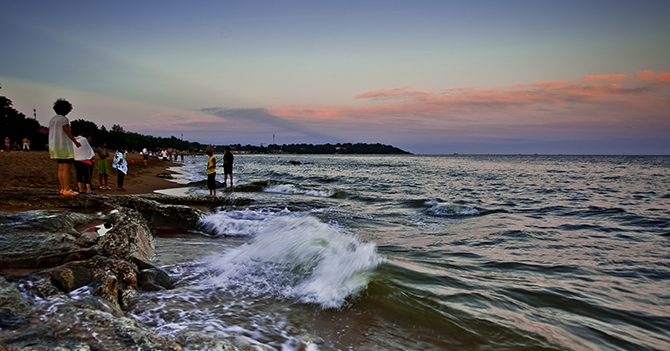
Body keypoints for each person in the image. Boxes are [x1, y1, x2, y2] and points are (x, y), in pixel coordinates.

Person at [48, 98, 81, 196]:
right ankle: (66, 189)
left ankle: (63, 188)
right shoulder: (64, 119)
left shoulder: (52, 120)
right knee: (66, 168)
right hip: (64, 146)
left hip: (55, 146)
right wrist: (75, 142)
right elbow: (67, 131)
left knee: (61, 168)